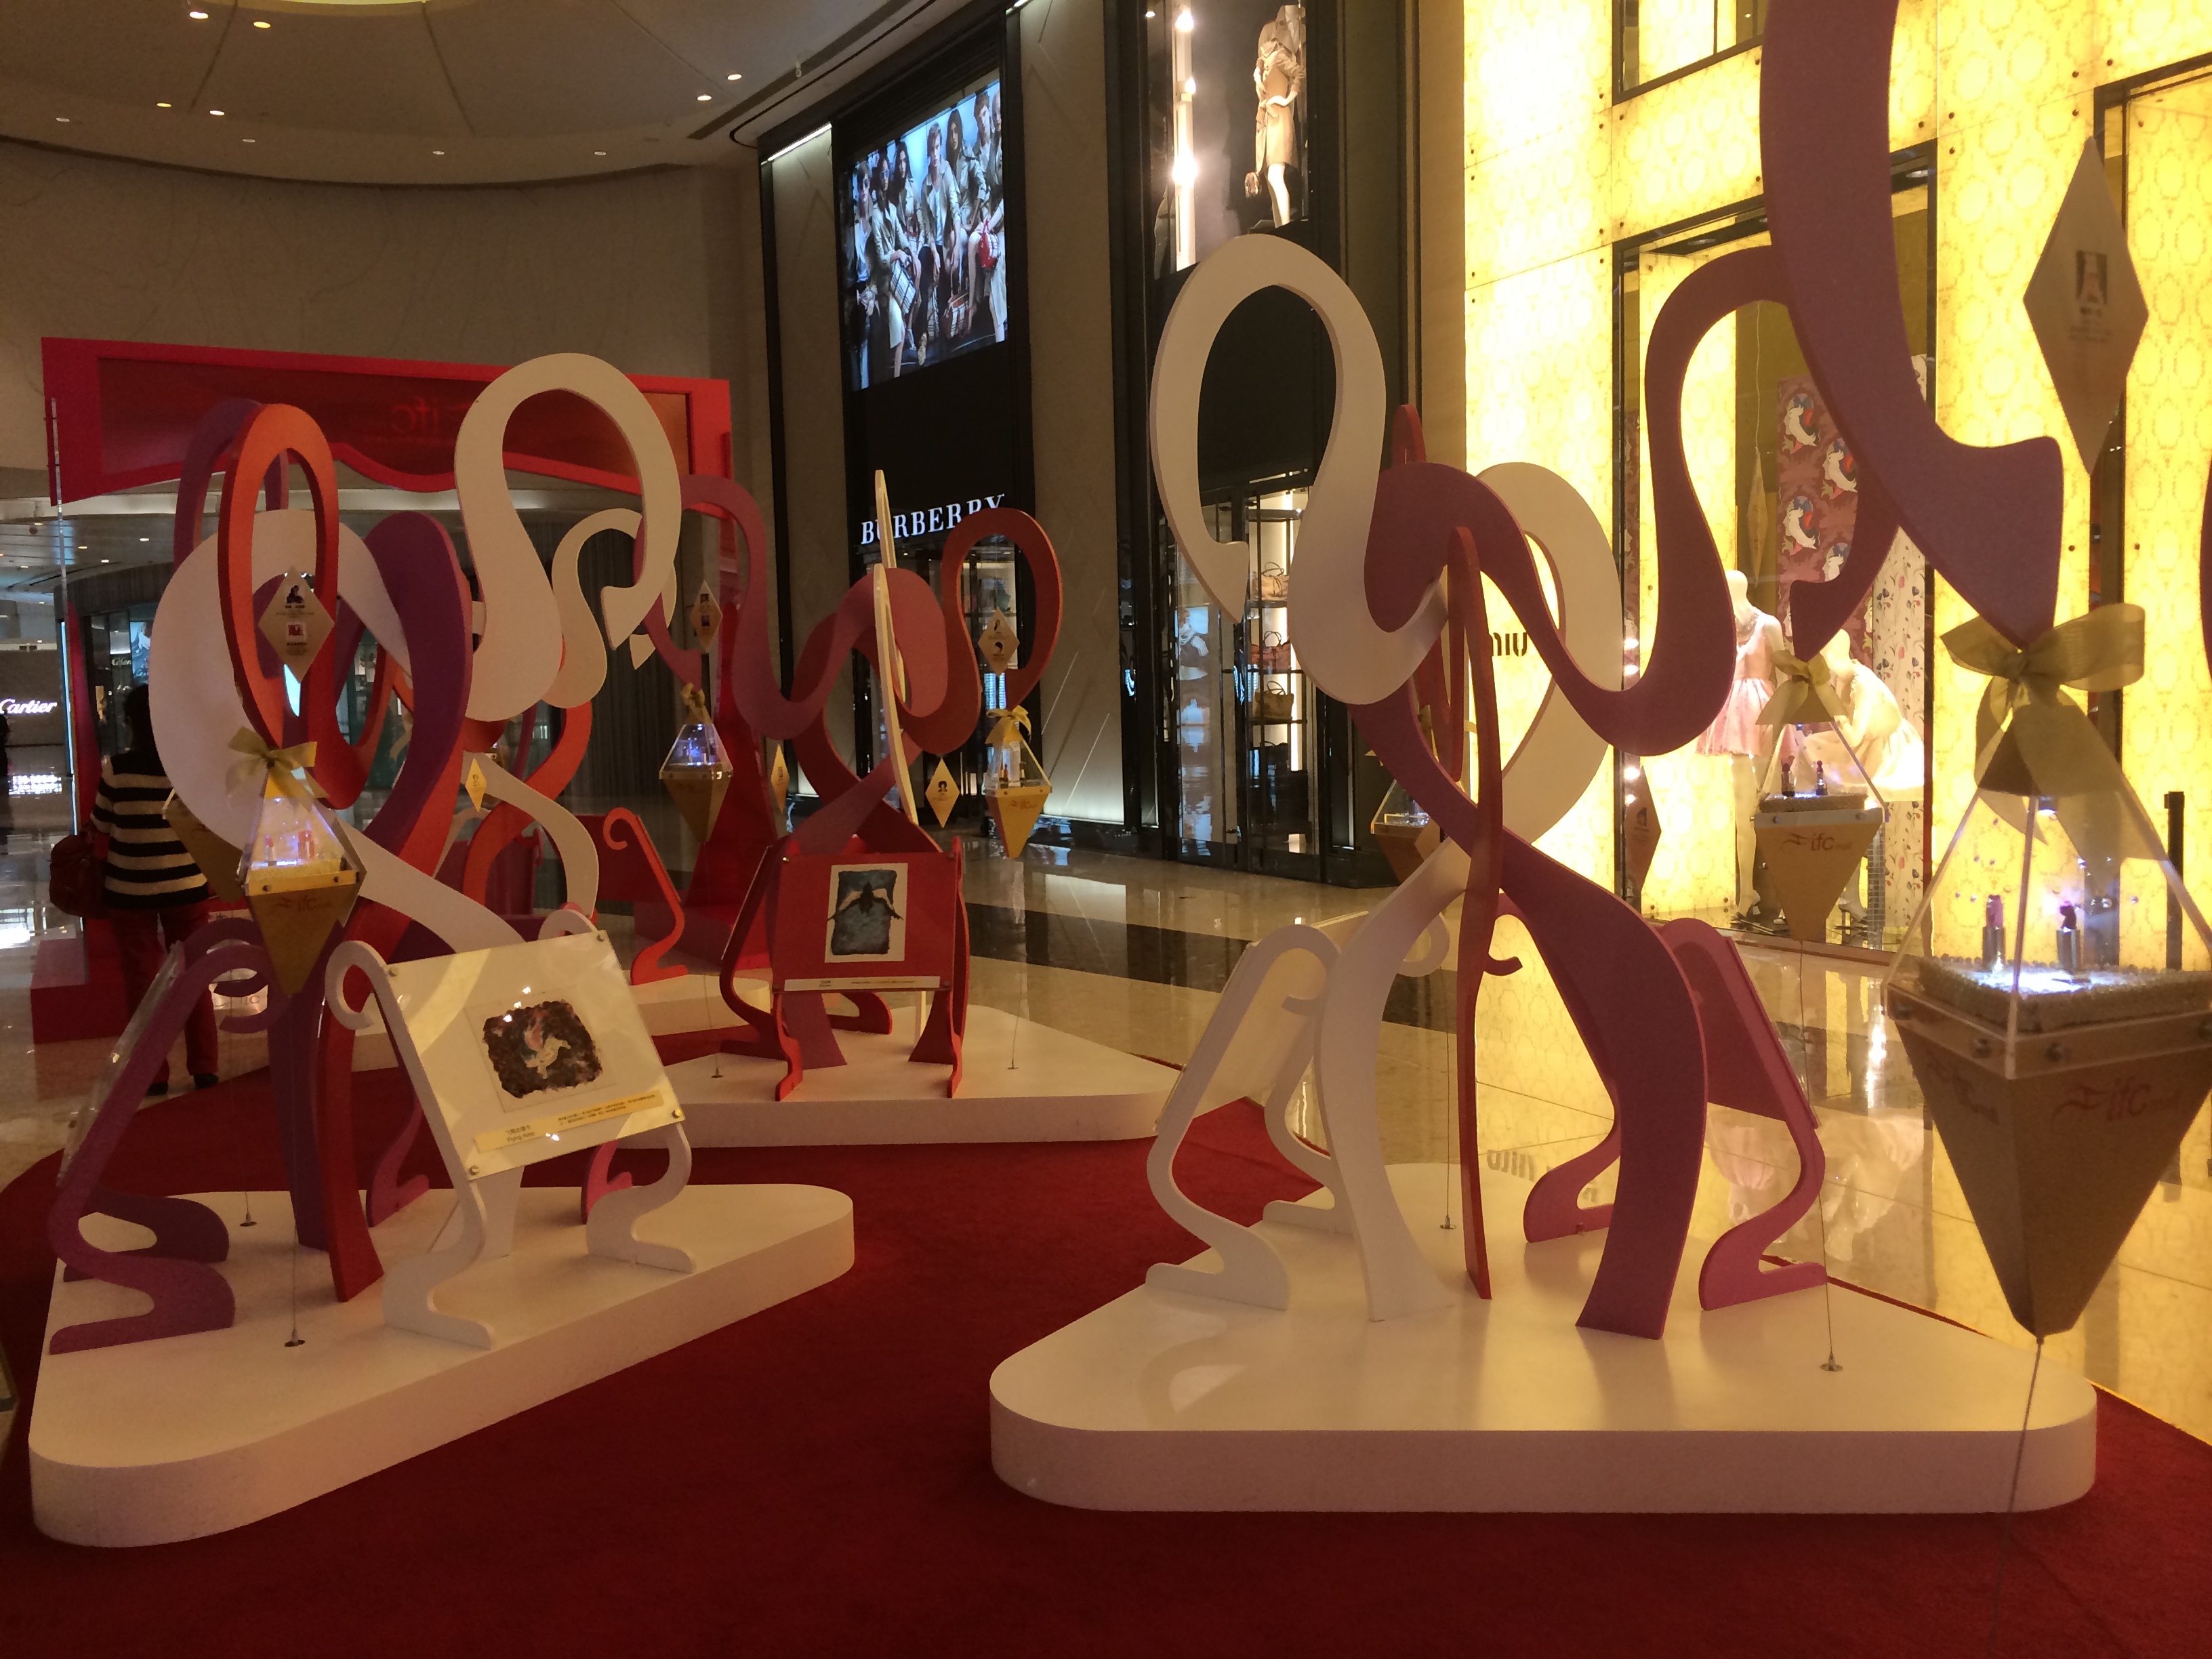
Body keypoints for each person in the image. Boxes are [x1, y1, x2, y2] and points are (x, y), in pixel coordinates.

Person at [94, 684, 218, 1095]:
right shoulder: (190, 766)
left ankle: (152, 1074)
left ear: (130, 722)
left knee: (142, 981)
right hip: (186, 885)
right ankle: (205, 1067)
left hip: (129, 890)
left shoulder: (116, 770)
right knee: (194, 974)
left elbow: (102, 825)